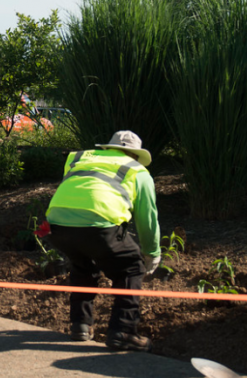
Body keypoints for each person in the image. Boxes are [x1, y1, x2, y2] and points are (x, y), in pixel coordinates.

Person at [44, 130, 160, 352]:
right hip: (100, 224)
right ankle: (124, 332)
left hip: (56, 224)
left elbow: (78, 190)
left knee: (82, 265)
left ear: (108, 148)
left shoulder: (77, 158)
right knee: (131, 269)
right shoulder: (138, 171)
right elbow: (147, 218)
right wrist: (151, 253)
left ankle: (81, 326)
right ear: (135, 154)